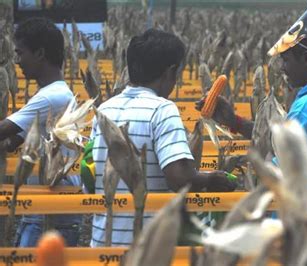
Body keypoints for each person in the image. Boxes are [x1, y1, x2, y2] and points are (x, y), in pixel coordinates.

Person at [196, 7, 307, 237]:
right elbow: (279, 141)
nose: (282, 68)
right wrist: (234, 121)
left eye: (286, 59)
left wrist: (235, 170)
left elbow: (275, 172)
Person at [89, 29, 236, 247]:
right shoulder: (162, 110)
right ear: (171, 72)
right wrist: (212, 179)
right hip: (146, 246)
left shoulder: (104, 109)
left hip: (103, 243)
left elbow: (91, 176)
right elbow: (179, 178)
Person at [0, 17, 81, 247]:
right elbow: (10, 143)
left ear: (40, 53)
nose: (17, 61)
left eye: (21, 53)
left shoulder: (51, 97)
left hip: (50, 213)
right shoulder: (54, 94)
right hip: (47, 208)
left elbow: (4, 131)